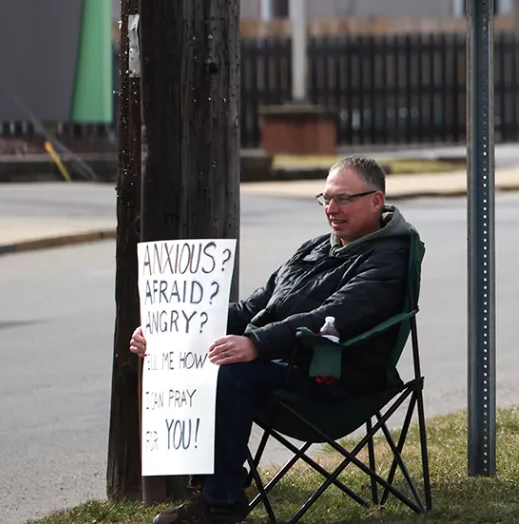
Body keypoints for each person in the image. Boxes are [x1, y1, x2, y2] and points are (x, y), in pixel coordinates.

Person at [130, 156, 418, 524]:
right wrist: (168, 330)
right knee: (205, 362)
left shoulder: (389, 257)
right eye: (326, 198)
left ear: (376, 201)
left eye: (343, 199)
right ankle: (218, 484)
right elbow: (254, 305)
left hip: (335, 376)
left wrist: (256, 344)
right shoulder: (314, 248)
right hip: (287, 364)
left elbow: (332, 317)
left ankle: (222, 504)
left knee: (230, 373)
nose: (332, 208)